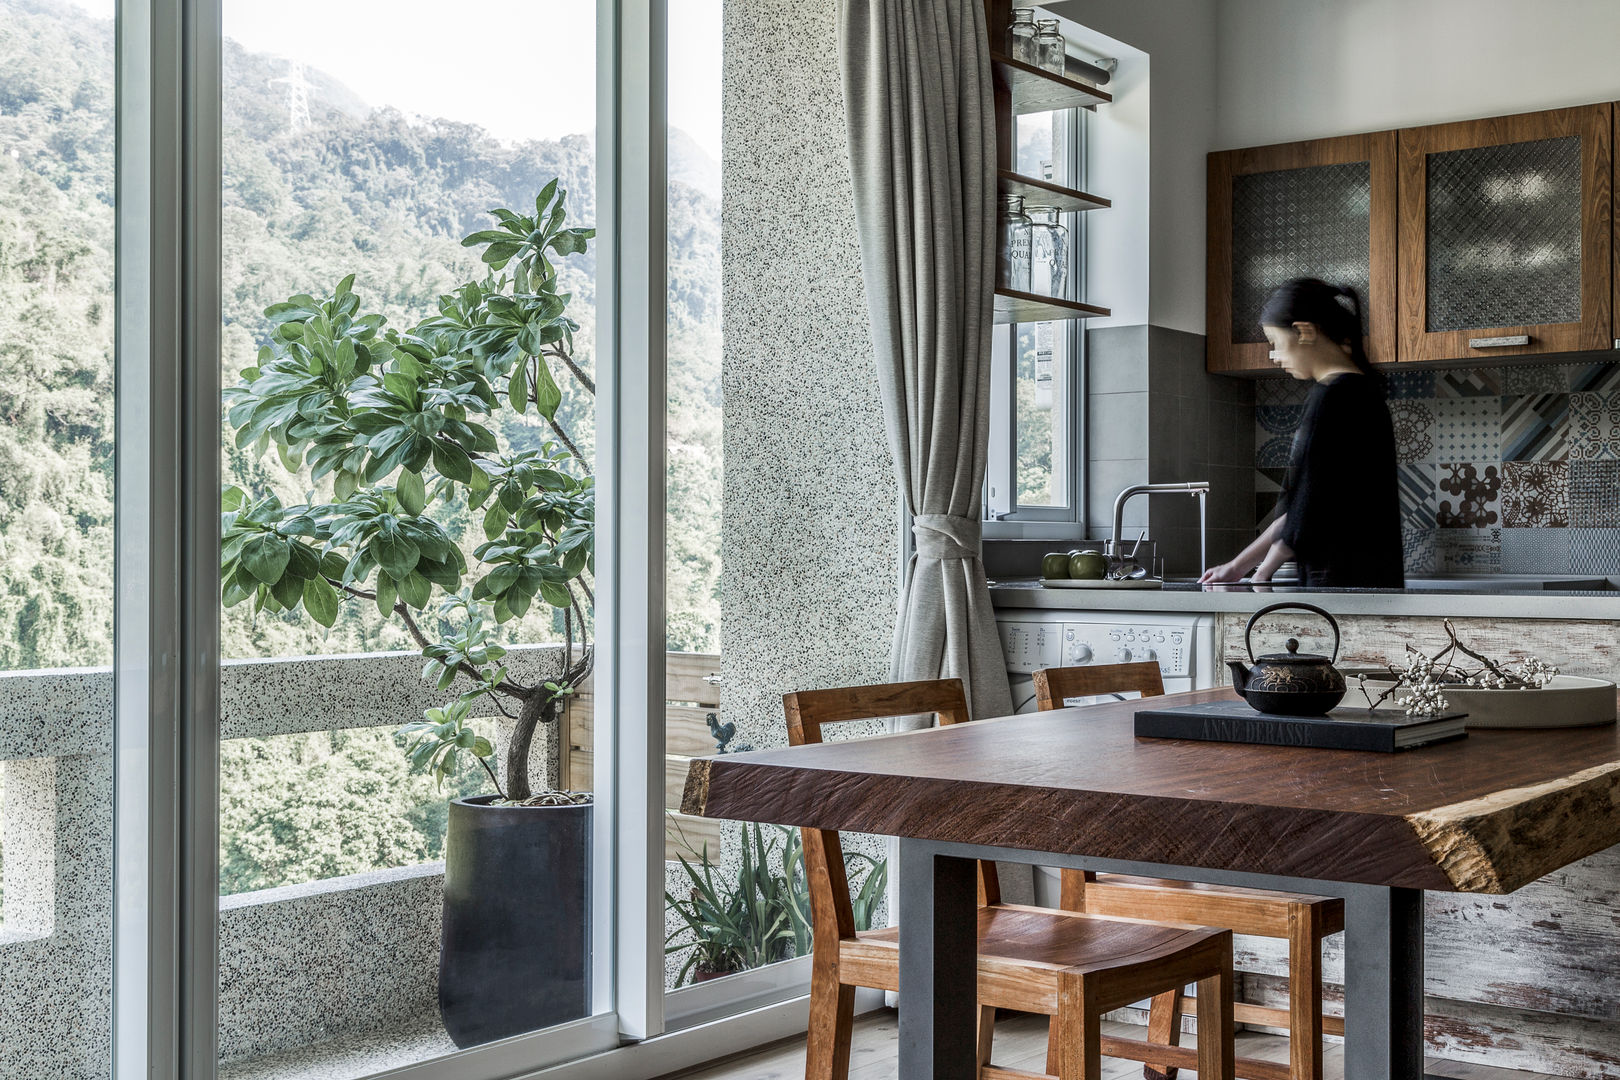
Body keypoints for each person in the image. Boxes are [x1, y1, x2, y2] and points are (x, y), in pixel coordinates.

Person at [1201, 277, 1404, 588]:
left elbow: (1309, 506)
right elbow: (1300, 504)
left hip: (1340, 581)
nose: (1274, 355)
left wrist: (1263, 571)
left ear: (1305, 332)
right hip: (1371, 577)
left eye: (1276, 343)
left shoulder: (1332, 397)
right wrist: (1239, 566)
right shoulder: (1363, 392)